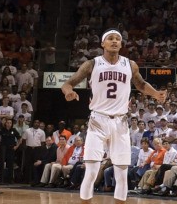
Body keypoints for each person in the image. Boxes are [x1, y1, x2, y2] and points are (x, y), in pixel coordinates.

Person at [61, 29, 168, 203]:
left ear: (121, 44)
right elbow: (68, 83)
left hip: (120, 121)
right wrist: (68, 92)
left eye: (117, 39)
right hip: (98, 120)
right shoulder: (92, 64)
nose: (114, 41)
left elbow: (140, 84)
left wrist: (155, 94)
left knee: (121, 173)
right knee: (92, 171)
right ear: (103, 43)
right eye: (110, 38)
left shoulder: (129, 64)